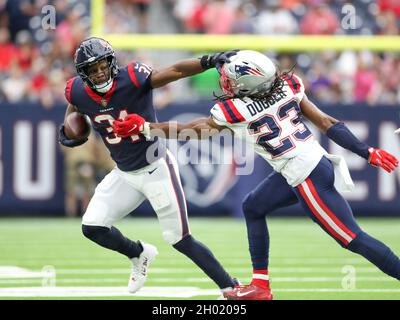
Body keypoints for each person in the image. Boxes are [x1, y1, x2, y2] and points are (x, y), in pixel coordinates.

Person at [113, 50, 400, 300]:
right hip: (306, 165)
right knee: (253, 206)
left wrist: (146, 128)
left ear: (249, 86)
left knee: (353, 238)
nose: (226, 83)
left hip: (305, 177)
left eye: (232, 81)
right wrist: (368, 152)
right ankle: (261, 285)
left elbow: (196, 130)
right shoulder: (289, 84)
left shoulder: (235, 109)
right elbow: (327, 122)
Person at [58, 37, 239, 295]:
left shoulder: (132, 78)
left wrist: (208, 61)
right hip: (124, 173)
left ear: (112, 63)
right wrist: (70, 127)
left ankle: (231, 286)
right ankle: (139, 253)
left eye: (102, 66)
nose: (99, 73)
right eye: (92, 69)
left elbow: (174, 72)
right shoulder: (76, 89)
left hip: (156, 168)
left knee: (181, 240)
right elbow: (74, 105)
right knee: (93, 227)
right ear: (83, 74)